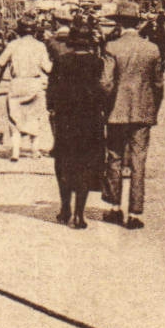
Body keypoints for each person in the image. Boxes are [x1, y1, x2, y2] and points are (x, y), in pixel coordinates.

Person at [99, 2, 164, 230]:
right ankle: (135, 212)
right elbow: (158, 84)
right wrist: (153, 109)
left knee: (114, 156)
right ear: (138, 23)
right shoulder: (152, 49)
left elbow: (106, 83)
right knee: (139, 161)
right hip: (143, 111)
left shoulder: (112, 47)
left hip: (116, 111)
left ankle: (115, 207)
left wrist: (106, 107)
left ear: (119, 23)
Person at [46, 20, 109, 228]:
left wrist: (53, 108)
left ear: (72, 41)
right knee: (85, 166)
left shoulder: (62, 61)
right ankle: (80, 215)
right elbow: (102, 90)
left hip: (66, 120)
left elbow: (52, 90)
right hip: (90, 120)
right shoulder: (97, 62)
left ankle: (65, 209)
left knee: (63, 164)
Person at [0, 19, 53, 161]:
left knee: (14, 118)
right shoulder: (40, 46)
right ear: (34, 31)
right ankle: (34, 150)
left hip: (17, 83)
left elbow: (0, 62)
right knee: (35, 116)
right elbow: (48, 68)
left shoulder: (13, 45)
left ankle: (15, 151)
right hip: (34, 83)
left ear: (18, 31)